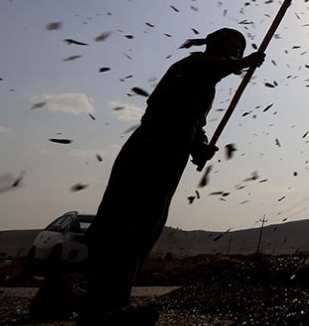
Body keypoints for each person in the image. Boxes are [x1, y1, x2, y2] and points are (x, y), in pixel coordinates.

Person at [77, 28, 264, 325]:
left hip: (172, 151)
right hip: (152, 145)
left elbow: (193, 121)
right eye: (232, 48)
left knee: (148, 224)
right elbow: (188, 92)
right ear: (214, 46)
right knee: (128, 221)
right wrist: (241, 65)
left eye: (240, 51)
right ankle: (101, 308)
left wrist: (198, 147)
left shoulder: (207, 80)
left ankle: (112, 304)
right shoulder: (190, 66)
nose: (236, 54)